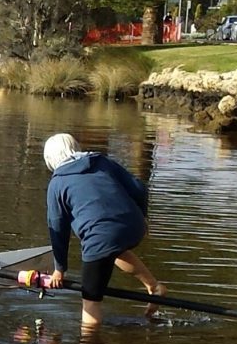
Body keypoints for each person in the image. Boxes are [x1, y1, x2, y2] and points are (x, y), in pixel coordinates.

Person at [43, 132, 165, 327]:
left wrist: (59, 271)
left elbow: (58, 229)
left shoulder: (57, 184)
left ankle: (90, 342)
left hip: (101, 237)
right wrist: (143, 218)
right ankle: (154, 286)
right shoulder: (101, 162)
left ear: (50, 160)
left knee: (90, 301)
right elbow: (139, 188)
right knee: (113, 249)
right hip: (135, 225)